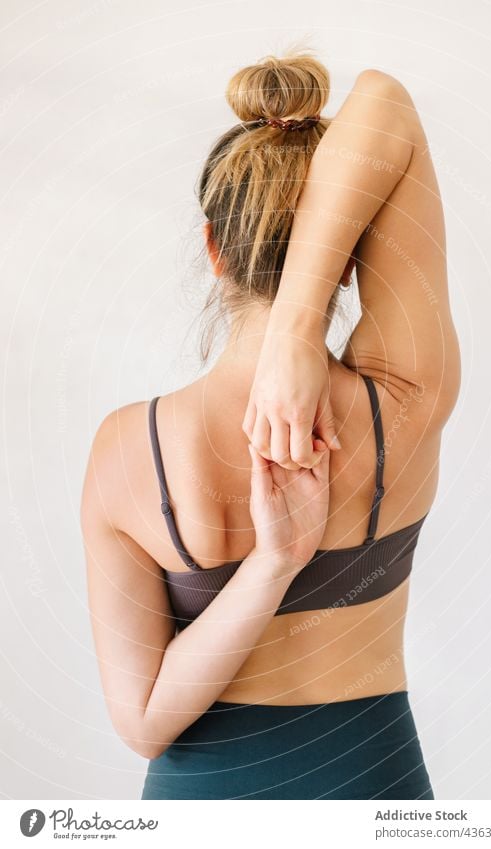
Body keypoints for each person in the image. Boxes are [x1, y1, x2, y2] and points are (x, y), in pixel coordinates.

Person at [80, 52, 461, 800]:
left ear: (213, 248)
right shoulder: (405, 399)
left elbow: (145, 722)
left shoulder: (129, 449)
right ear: (349, 262)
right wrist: (297, 329)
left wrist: (268, 567)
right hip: (374, 786)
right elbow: (384, 98)